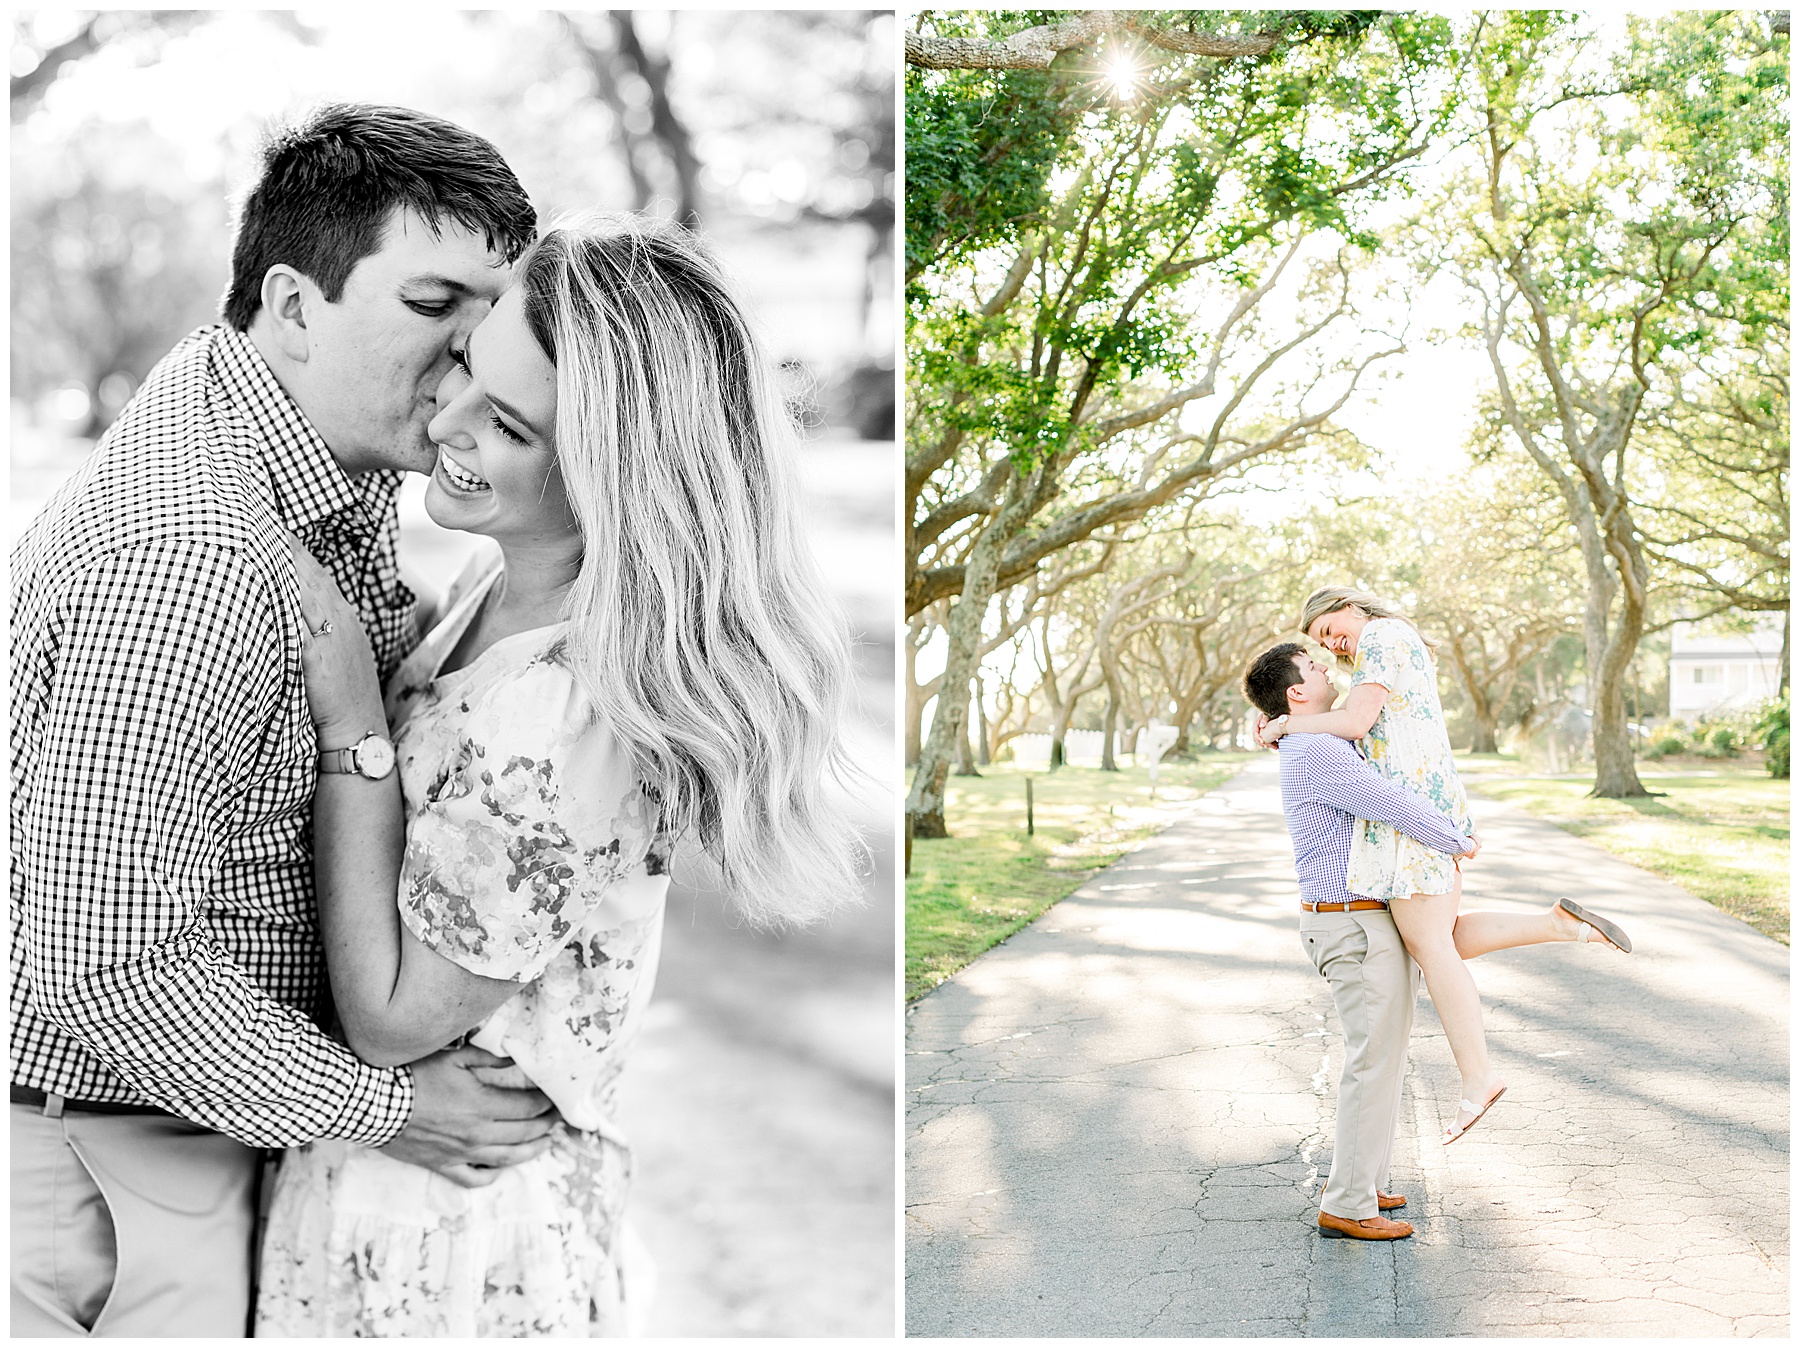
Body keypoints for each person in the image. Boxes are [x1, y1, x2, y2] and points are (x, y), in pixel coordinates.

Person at [253, 213, 865, 1335]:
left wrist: (353, 722)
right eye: (469, 373)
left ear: (610, 475)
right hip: (392, 1183)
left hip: (449, 1234)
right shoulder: (501, 601)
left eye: (509, 428)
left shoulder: (570, 712)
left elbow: (394, 1018)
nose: (447, 420)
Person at [10, 104, 555, 1338]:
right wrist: (391, 1105)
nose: (472, 358)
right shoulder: (196, 560)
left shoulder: (284, 450)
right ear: (294, 306)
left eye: (492, 315)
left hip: (152, 1142)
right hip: (105, 1172)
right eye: (432, 306)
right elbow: (108, 961)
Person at [1259, 587, 1632, 1145]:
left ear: (1349, 605)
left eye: (1328, 630)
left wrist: (1286, 726)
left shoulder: (1382, 635)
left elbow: (1356, 723)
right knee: (1440, 936)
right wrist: (1280, 722)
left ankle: (1479, 1077)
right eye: (1317, 646)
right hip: (1418, 805)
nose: (1330, 644)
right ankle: (1558, 925)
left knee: (1430, 947)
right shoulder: (1382, 646)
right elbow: (1345, 719)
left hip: (1411, 809)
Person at [1244, 642, 1479, 1239]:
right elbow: (1386, 801)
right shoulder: (1317, 747)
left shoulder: (1309, 735)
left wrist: (1271, 728)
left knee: (1383, 1059)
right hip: (1349, 922)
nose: (1329, 668)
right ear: (1298, 692)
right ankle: (1348, 1204)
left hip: (1360, 917)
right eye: (1315, 666)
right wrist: (1454, 839)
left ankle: (1364, 1181)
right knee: (1371, 1064)